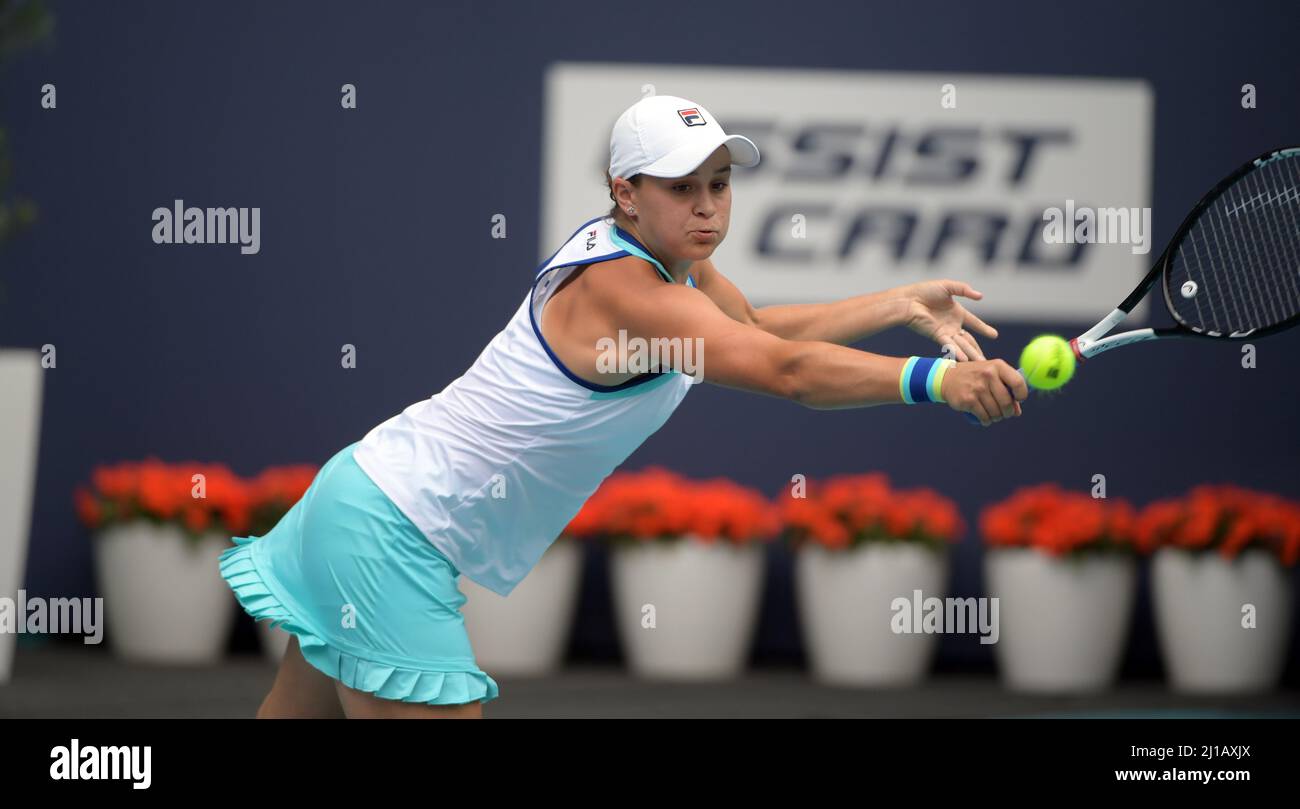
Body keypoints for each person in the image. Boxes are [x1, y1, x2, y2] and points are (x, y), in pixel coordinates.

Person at [220, 93, 1026, 719]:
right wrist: (935, 380)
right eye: (682, 188)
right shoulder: (626, 289)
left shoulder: (670, 264)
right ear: (626, 193)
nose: (709, 207)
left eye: (719, 185)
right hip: (389, 530)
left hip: (363, 496)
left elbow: (752, 329)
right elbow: (785, 372)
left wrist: (898, 302)